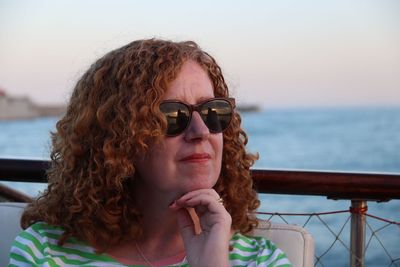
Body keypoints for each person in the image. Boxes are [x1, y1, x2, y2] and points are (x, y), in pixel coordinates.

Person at [9, 39, 291, 267]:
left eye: (212, 112)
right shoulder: (44, 253)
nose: (201, 131)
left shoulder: (260, 260)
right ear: (118, 138)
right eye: (172, 116)